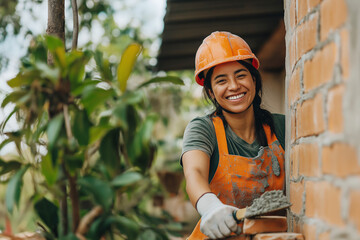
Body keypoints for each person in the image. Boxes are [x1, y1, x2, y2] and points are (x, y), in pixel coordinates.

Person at [181, 31, 285, 239]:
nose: (234, 86)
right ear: (211, 91)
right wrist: (210, 207)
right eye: (221, 80)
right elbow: (194, 174)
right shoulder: (203, 129)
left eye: (241, 75)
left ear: (254, 80)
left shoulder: (281, 126)